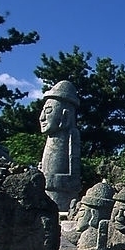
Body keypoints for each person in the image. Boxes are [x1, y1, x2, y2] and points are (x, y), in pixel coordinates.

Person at [38, 80, 81, 212]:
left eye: (48, 111)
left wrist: (48, 179)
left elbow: (73, 177)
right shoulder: (50, 139)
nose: (42, 117)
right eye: (43, 111)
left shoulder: (72, 136)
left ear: (65, 116)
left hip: (61, 201)